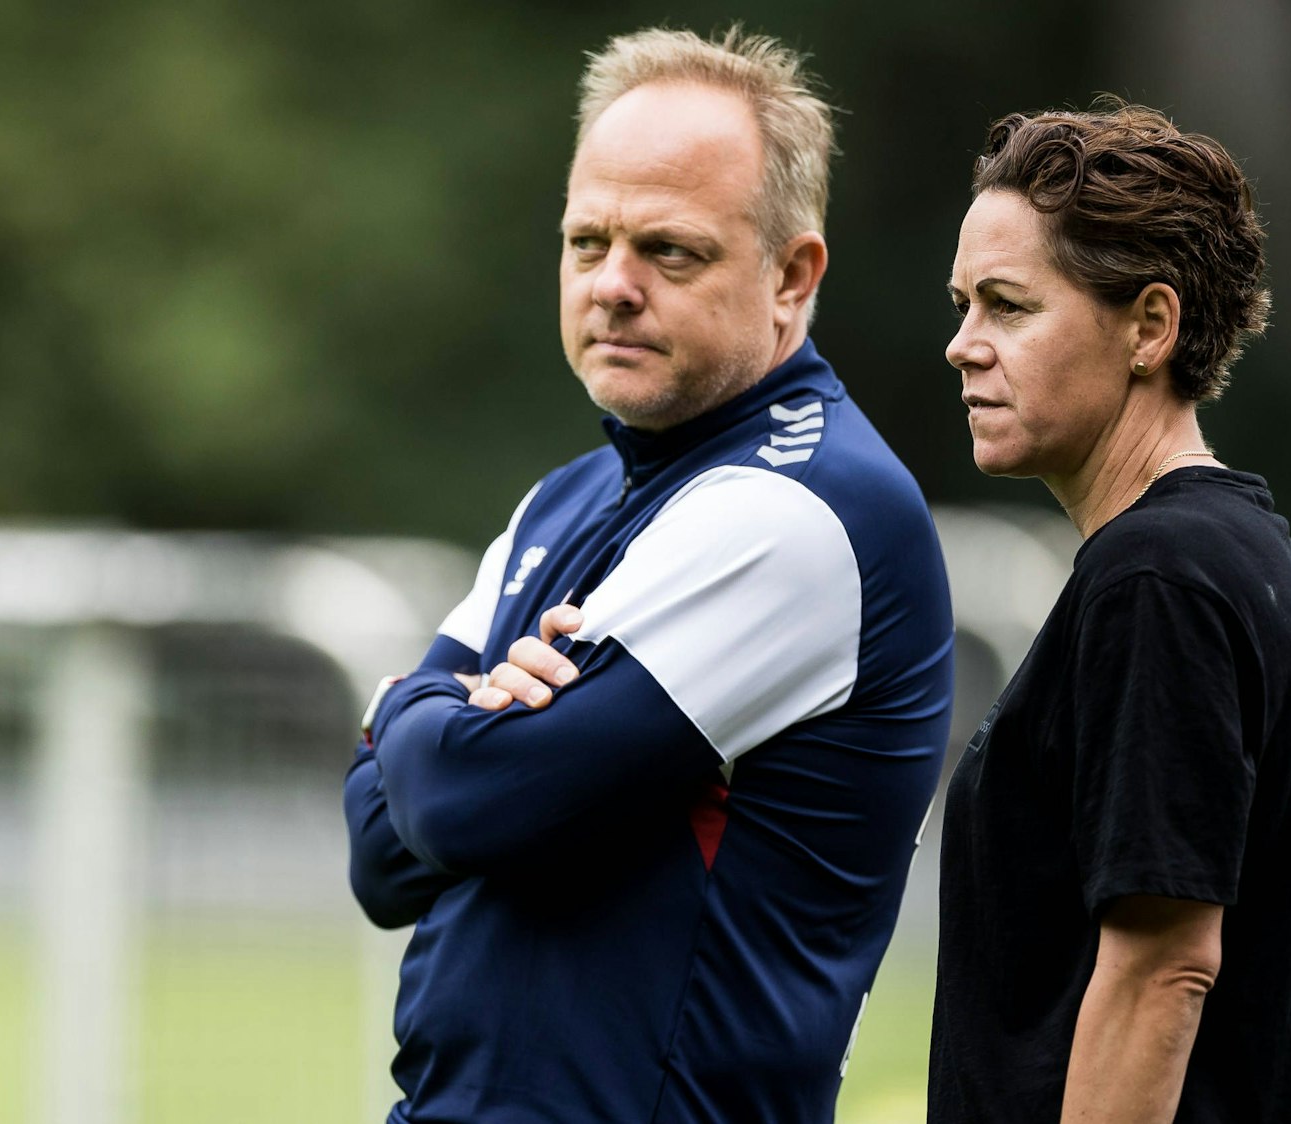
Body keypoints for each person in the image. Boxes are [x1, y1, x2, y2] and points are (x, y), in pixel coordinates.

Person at [342, 26, 955, 1124]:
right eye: (588, 242)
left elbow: (463, 803)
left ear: (790, 275)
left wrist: (404, 706)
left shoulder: (798, 506)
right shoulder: (565, 497)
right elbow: (381, 860)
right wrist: (450, 724)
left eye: (669, 251)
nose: (613, 285)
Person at [930, 99, 1291, 1122]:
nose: (961, 345)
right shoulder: (1229, 557)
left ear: (1149, 328)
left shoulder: (1158, 577)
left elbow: (1163, 967)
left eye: (1007, 306)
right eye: (961, 304)